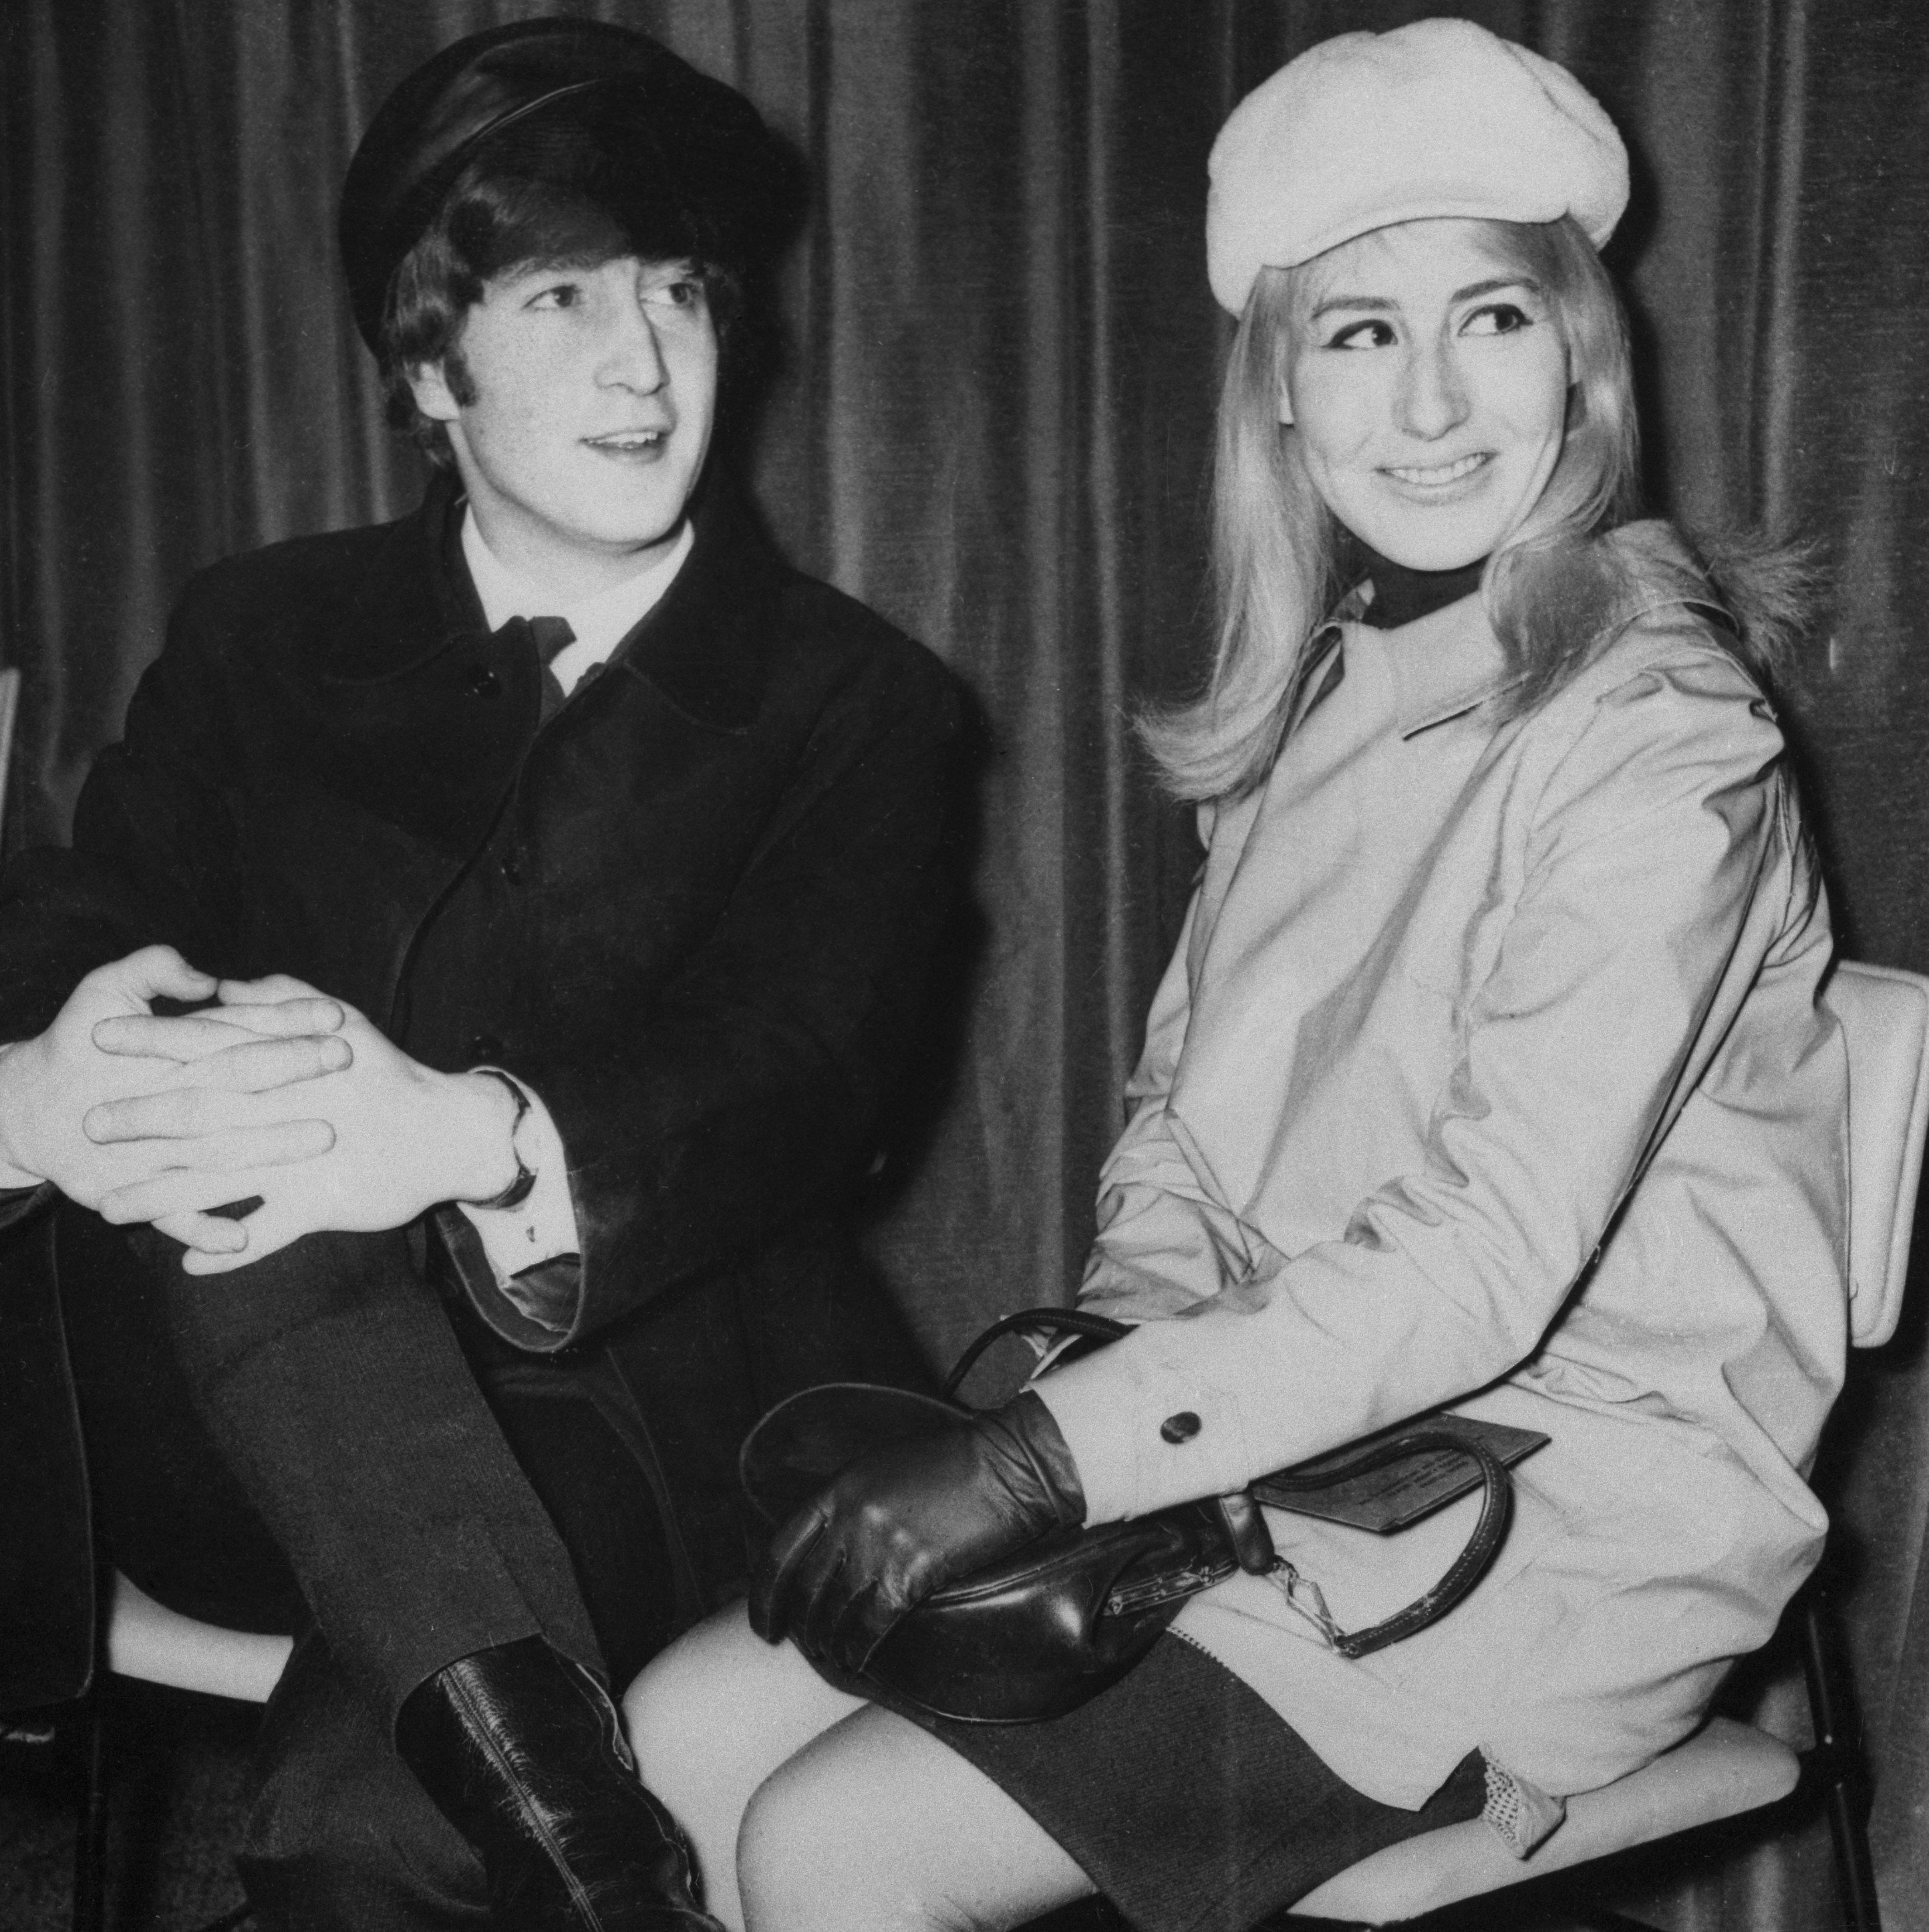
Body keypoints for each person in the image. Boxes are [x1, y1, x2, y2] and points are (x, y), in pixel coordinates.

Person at [623, 20, 1849, 1931]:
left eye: (1493, 319)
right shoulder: (1317, 713)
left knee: (827, 1846)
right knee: (683, 1724)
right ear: (1276, 394)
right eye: (1357, 332)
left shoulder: (1659, 731)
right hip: (1279, 1469)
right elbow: (1179, 1154)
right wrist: (1100, 1417)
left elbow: (1484, 1254)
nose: (1432, 398)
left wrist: (1045, 1465)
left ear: (1581, 355)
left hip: (1556, 1517)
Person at [0, 18, 966, 1932]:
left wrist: (456, 1134)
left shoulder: (855, 704)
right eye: (560, 297)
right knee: (254, 1122)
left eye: (681, 295)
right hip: (229, 1418)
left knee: (363, 1817)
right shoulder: (260, 632)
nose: (643, 362)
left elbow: (808, 1063)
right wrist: (26, 1091)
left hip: (645, 1421)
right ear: (428, 359)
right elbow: (79, 903)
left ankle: (567, 1850)